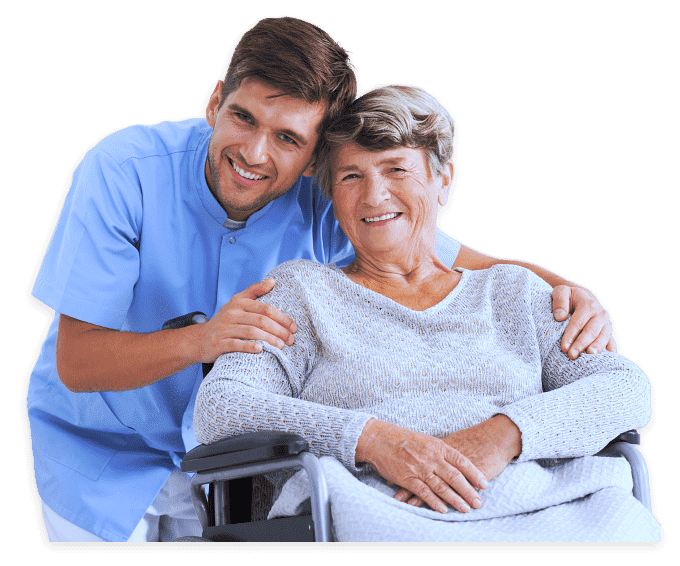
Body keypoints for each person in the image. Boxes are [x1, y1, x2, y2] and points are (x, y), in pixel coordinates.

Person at [27, 17, 614, 543]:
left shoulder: (333, 196)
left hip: (245, 472)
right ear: (214, 103)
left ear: (314, 158)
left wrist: (571, 295)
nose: (254, 153)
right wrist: (204, 341)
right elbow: (77, 364)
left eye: (288, 138)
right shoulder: (123, 170)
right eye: (243, 117)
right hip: (100, 458)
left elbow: (447, 256)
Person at [193, 85, 659, 542]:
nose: (375, 196)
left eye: (396, 169)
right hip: (378, 507)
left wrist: (506, 434)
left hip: (548, 502)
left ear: (442, 180)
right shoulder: (302, 293)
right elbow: (221, 406)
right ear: (332, 195)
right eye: (351, 176)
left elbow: (625, 388)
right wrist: (370, 439)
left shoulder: (514, 292)